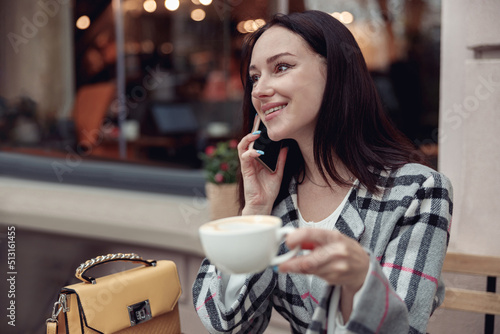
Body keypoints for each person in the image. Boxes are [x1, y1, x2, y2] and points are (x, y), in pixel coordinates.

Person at [192, 10, 453, 334]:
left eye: (281, 67)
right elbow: (228, 324)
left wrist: (359, 281)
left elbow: (403, 328)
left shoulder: (418, 190)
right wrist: (255, 211)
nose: (259, 91)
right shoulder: (279, 200)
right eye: (255, 77)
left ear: (336, 72)